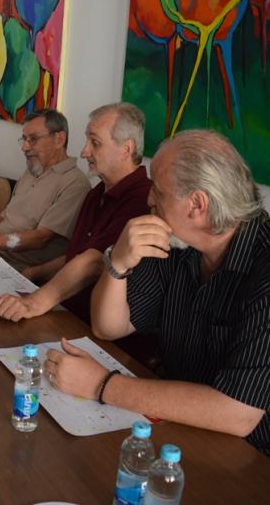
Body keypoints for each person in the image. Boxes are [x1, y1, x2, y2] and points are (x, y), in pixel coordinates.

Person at [49, 129, 269, 455]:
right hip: (175, 430)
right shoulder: (177, 243)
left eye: (159, 192)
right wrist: (117, 263)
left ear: (197, 204)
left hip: (247, 459)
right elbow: (109, 326)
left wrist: (101, 385)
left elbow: (237, 413)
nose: (149, 200)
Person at [0, 103, 151, 323]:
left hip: (90, 323)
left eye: (95, 143)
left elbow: (93, 263)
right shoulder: (96, 194)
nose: (84, 152)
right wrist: (33, 274)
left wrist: (34, 302)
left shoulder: (142, 200)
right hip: (64, 307)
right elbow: (75, 255)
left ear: (126, 149)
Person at [0, 109, 90, 271]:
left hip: (18, 269)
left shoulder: (75, 184)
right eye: (24, 139)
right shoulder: (33, 169)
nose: (25, 147)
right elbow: (5, 213)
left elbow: (41, 238)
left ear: (59, 139)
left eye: (33, 139)